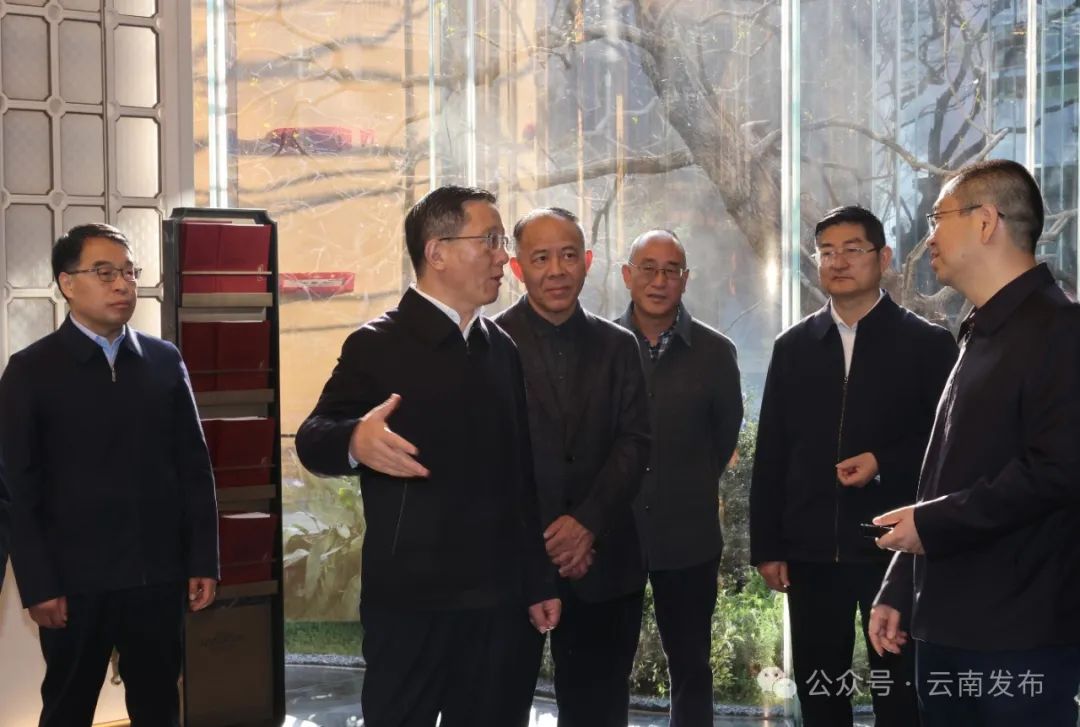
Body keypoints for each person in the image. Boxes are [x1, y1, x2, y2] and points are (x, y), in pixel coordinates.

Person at [295, 186, 559, 727]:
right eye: (489, 240)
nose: (502, 257)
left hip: (498, 604)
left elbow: (521, 480)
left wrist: (537, 582)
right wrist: (354, 441)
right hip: (410, 602)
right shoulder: (376, 344)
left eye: (501, 242)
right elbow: (312, 437)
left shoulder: (502, 349)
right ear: (436, 252)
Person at [870, 159, 1080, 726]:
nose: (929, 236)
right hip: (946, 624)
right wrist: (900, 582)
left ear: (986, 221)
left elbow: (1057, 471)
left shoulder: (1063, 329)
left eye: (938, 217)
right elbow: (946, 471)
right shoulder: (978, 327)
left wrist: (931, 525)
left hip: (1019, 634)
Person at [0, 223, 219, 727]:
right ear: (67, 283)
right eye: (104, 273)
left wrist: (202, 559)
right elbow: (18, 489)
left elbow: (194, 468)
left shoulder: (164, 361)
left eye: (129, 272)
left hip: (157, 576)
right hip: (74, 584)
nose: (122, 284)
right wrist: (38, 583)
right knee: (68, 708)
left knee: (159, 707)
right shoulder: (30, 371)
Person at [749, 206, 957, 726]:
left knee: (899, 688)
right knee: (820, 688)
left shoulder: (927, 344)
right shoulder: (794, 346)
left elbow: (948, 447)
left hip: (895, 548)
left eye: (852, 250)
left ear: (883, 258)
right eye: (826, 252)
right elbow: (772, 451)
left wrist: (883, 462)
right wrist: (768, 546)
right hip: (812, 548)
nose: (837, 262)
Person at [494, 207, 651, 727]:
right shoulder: (490, 346)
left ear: (587, 261)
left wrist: (586, 524)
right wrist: (549, 543)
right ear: (517, 268)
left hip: (606, 564)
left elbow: (635, 443)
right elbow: (491, 461)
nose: (556, 270)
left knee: (599, 711)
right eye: (541, 258)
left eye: (567, 256)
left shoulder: (620, 345)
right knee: (496, 707)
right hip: (514, 567)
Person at [614, 229, 743, 726]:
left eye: (671, 270)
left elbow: (723, 438)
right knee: (606, 664)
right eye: (648, 268)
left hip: (688, 535)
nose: (659, 280)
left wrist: (682, 483)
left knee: (691, 665)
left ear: (685, 280)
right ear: (627, 276)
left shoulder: (716, 352)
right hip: (613, 533)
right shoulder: (603, 345)